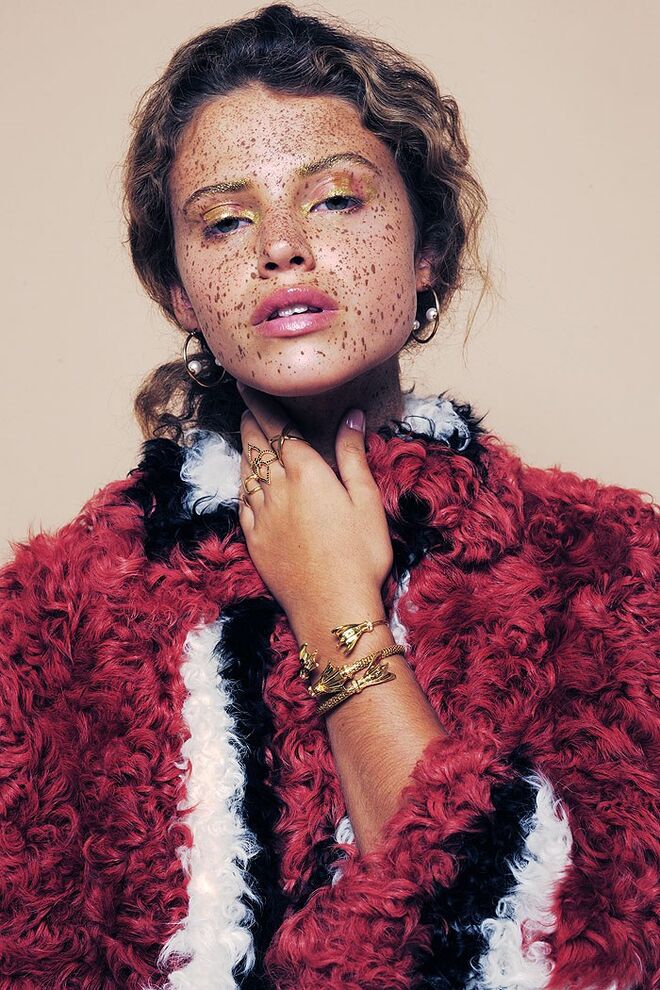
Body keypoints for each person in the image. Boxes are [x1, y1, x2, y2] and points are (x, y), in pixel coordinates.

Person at [0, 4, 657, 989]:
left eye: (338, 200)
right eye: (225, 220)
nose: (281, 246)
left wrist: (336, 614)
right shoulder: (53, 615)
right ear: (180, 290)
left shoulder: (606, 564)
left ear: (428, 247)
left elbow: (586, 961)